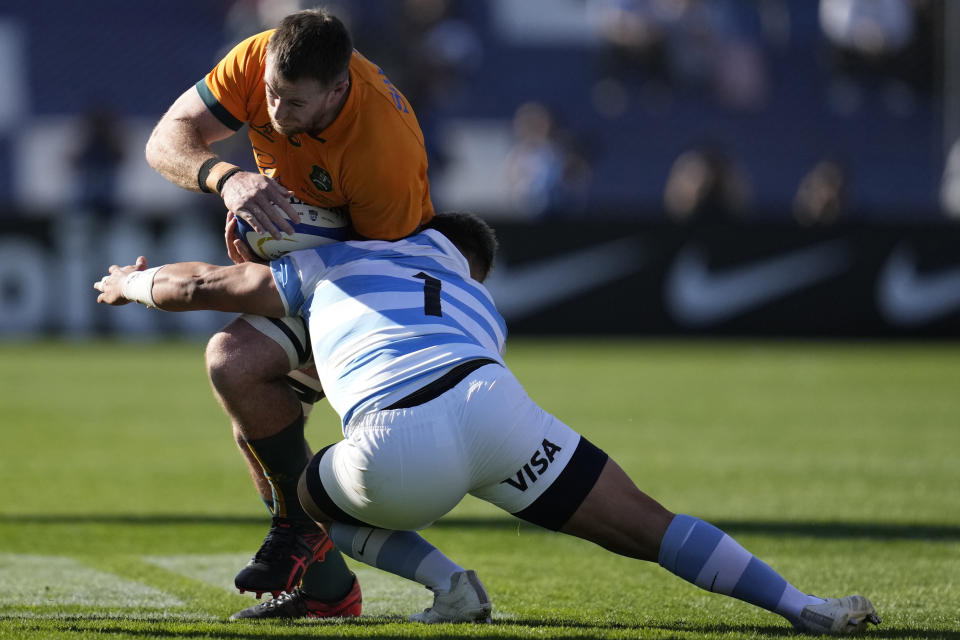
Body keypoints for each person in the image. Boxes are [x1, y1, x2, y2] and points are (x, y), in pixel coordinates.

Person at [94, 212, 881, 634]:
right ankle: (801, 606)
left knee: (302, 495)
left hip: (396, 444)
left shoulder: (350, 259)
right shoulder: (481, 301)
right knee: (649, 523)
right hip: (496, 410)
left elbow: (206, 283)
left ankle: (448, 584)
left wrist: (131, 285)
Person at [143, 7, 434, 618]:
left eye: (294, 104)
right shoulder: (256, 60)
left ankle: (332, 550)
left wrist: (282, 244)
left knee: (239, 368)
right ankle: (326, 587)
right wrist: (227, 179)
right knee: (251, 401)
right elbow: (165, 139)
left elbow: (381, 268)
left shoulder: (383, 148)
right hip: (319, 267)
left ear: (338, 89)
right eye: (271, 94)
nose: (275, 112)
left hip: (379, 284)